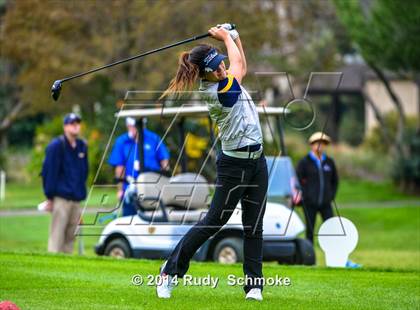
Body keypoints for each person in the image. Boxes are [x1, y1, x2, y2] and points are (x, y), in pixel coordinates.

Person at [156, 24, 267, 301]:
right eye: (215, 68)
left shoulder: (226, 77)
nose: (221, 69)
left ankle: (254, 287)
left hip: (257, 162)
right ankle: (169, 272)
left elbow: (241, 64)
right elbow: (239, 66)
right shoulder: (216, 92)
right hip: (234, 166)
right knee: (213, 222)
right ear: (204, 75)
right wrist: (227, 36)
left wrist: (235, 37)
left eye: (221, 64)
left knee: (254, 225)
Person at [41, 113, 88, 254]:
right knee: (57, 237)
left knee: (71, 238)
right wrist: (49, 197)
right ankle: (52, 267)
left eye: (77, 123)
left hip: (76, 199)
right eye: (72, 123)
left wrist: (81, 195)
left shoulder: (82, 146)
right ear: (65, 126)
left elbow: (84, 172)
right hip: (61, 199)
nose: (75, 125)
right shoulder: (56, 146)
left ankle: (66, 268)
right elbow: (48, 173)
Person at [108, 117, 170, 216]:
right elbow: (119, 167)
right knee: (130, 221)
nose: (135, 129)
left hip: (153, 188)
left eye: (137, 127)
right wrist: (120, 190)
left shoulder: (154, 138)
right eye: (132, 126)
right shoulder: (122, 142)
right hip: (131, 188)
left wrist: (165, 180)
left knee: (153, 221)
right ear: (128, 126)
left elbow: (164, 161)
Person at [296, 132, 338, 245]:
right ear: (312, 145)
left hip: (326, 203)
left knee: (331, 228)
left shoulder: (329, 162)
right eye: (317, 143)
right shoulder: (304, 162)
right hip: (309, 203)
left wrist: (330, 196)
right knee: (310, 231)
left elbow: (335, 181)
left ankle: (332, 254)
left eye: (323, 143)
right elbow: (298, 181)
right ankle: (309, 258)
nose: (320, 145)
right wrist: (305, 195)